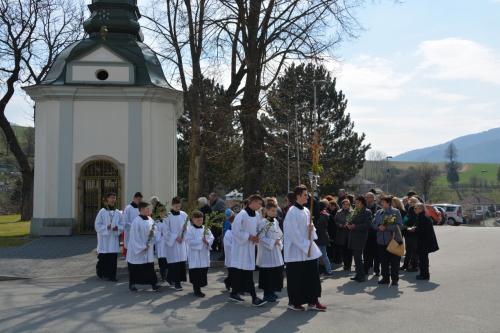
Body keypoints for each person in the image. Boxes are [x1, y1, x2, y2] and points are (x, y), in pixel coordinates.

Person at [284, 185, 326, 312]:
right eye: (304, 195)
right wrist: (305, 245)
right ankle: (294, 302)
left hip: (308, 249)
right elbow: (292, 233)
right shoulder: (291, 212)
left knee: (312, 276)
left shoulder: (307, 210)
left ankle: (313, 301)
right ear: (298, 196)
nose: (307, 197)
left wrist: (311, 229)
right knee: (297, 278)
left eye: (307, 195)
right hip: (296, 251)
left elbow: (310, 227)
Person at [229, 194, 267, 307]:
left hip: (249, 247)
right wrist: (249, 237)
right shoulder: (242, 214)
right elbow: (235, 230)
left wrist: (257, 236)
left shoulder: (256, 214)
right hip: (241, 248)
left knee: (242, 272)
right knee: (246, 273)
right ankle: (254, 298)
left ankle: (234, 293)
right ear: (252, 202)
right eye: (259, 204)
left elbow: (257, 228)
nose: (260, 206)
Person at [126, 201, 159, 292]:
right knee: (136, 267)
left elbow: (154, 230)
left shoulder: (150, 219)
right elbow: (134, 237)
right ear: (141, 210)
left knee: (149, 267)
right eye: (147, 209)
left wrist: (151, 241)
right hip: (139, 249)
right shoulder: (136, 221)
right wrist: (142, 246)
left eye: (149, 208)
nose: (149, 210)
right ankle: (132, 284)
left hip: (148, 247)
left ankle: (153, 284)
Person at [257, 201, 285, 303]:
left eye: (275, 211)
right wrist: (273, 242)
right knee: (268, 274)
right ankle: (267, 294)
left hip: (276, 251)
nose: (274, 213)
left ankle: (272, 291)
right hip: (267, 253)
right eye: (272, 211)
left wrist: (279, 242)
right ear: (266, 211)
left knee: (276, 273)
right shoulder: (264, 223)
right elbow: (260, 237)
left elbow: (281, 234)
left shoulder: (275, 222)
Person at [373, 195, 403, 286]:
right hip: (381, 241)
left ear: (388, 203)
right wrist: (378, 227)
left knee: (394, 262)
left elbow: (400, 225)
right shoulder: (378, 212)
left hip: (393, 241)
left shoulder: (395, 211)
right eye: (381, 202)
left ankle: (395, 279)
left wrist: (386, 227)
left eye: (383, 202)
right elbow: (373, 223)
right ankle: (385, 278)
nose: (381, 203)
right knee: (383, 261)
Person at [185, 210, 214, 297]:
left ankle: (199, 287)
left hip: (204, 254)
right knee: (196, 273)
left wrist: (207, 241)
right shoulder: (190, 230)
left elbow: (211, 237)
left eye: (201, 220)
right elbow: (189, 241)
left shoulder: (206, 229)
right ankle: (196, 290)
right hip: (195, 255)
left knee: (203, 272)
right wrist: (201, 241)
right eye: (197, 220)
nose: (199, 222)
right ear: (193, 220)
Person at [95, 192, 123, 282]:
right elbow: (97, 225)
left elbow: (122, 224)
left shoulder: (118, 212)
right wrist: (105, 227)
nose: (112, 199)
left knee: (113, 258)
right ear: (107, 199)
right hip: (104, 239)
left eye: (114, 198)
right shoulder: (102, 211)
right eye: (111, 198)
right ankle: (101, 272)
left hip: (113, 238)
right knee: (104, 257)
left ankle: (112, 276)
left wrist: (118, 228)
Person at [164, 197, 188, 291]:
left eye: (179, 206)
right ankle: (177, 283)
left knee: (181, 262)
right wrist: (175, 237)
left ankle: (170, 278)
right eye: (176, 206)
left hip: (182, 242)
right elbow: (165, 230)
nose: (178, 207)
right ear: (172, 205)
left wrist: (183, 236)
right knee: (174, 263)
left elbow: (187, 226)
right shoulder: (167, 216)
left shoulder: (184, 214)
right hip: (173, 243)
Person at [347, 196, 372, 282]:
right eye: (355, 202)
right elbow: (350, 220)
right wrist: (349, 224)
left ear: (362, 203)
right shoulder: (355, 211)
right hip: (353, 236)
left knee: (358, 256)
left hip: (361, 236)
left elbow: (367, 225)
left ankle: (362, 275)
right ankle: (358, 274)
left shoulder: (367, 212)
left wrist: (355, 226)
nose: (355, 204)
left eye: (357, 202)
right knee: (356, 257)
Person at [414, 203, 439, 280]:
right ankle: (424, 274)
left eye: (416, 208)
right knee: (423, 259)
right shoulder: (424, 215)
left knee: (423, 259)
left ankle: (424, 275)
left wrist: (414, 229)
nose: (415, 210)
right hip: (425, 241)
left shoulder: (422, 217)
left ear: (421, 209)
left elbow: (422, 230)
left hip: (424, 241)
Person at [315, 199, 333, 276]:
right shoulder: (324, 214)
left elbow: (318, 226)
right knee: (321, 255)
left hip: (321, 237)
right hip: (322, 236)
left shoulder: (322, 215)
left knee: (322, 255)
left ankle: (329, 271)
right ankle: (328, 270)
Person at [363, 192, 380, 276]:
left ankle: (377, 270)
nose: (368, 199)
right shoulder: (363, 208)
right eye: (366, 197)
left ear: (374, 198)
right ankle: (366, 269)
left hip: (376, 233)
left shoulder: (379, 208)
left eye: (370, 197)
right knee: (366, 252)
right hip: (366, 233)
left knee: (377, 253)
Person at [401, 197, 420, 272]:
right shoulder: (409, 210)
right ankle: (406, 265)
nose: (410, 202)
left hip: (414, 234)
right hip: (407, 233)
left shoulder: (417, 211)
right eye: (410, 201)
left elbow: (417, 223)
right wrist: (405, 226)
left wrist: (410, 227)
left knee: (414, 251)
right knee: (408, 250)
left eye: (412, 201)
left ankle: (414, 266)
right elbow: (406, 220)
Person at [335, 199, 353, 271]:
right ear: (342, 205)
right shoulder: (338, 212)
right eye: (344, 204)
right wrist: (341, 225)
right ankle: (345, 264)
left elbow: (355, 220)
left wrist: (350, 225)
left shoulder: (353, 212)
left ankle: (348, 265)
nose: (346, 206)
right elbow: (336, 221)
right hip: (342, 233)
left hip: (350, 234)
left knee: (349, 250)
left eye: (347, 204)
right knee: (343, 250)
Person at [154, 203, 169, 281]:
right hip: (160, 243)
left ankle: (168, 275)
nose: (163, 214)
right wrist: (160, 233)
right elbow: (155, 232)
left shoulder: (168, 221)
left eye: (164, 212)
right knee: (162, 261)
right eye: (161, 212)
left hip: (167, 243)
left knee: (168, 260)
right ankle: (163, 275)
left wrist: (166, 234)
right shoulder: (156, 222)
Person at [223, 214, 234, 292]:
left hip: (238, 256)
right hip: (231, 257)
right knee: (232, 273)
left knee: (235, 273)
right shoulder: (228, 233)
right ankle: (228, 282)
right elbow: (227, 246)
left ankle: (229, 282)